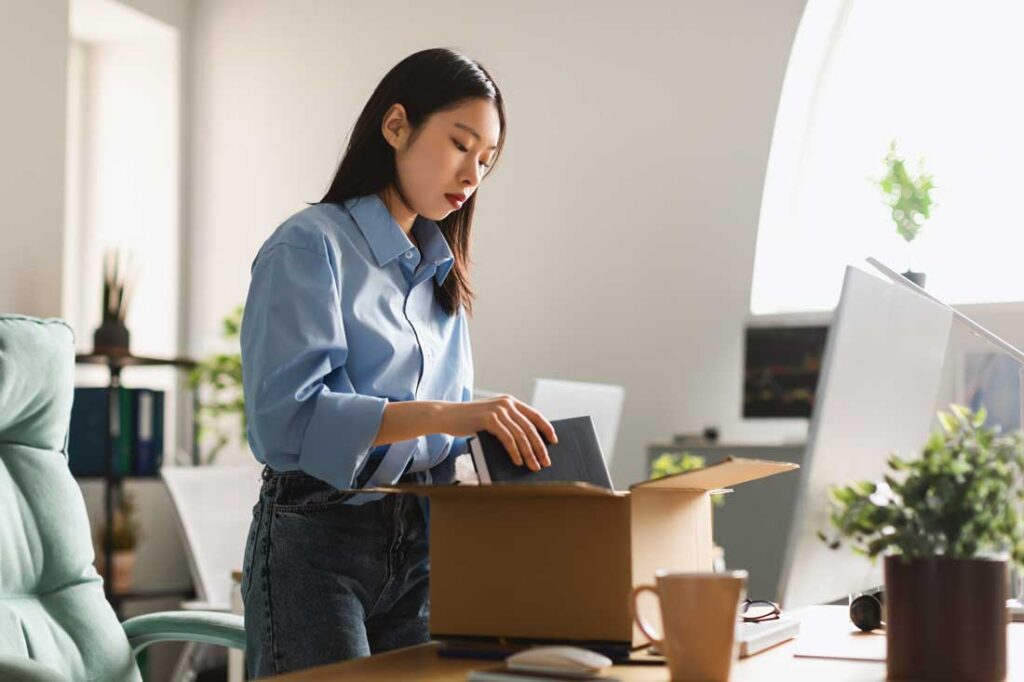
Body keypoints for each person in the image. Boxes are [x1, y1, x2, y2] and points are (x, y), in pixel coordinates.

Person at [238, 47, 558, 677]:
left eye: (487, 161)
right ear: (396, 126)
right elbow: (286, 421)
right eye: (460, 144)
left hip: (420, 540)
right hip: (318, 539)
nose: (472, 175)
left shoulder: (443, 276)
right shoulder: (309, 246)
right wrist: (453, 412)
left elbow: (441, 433)